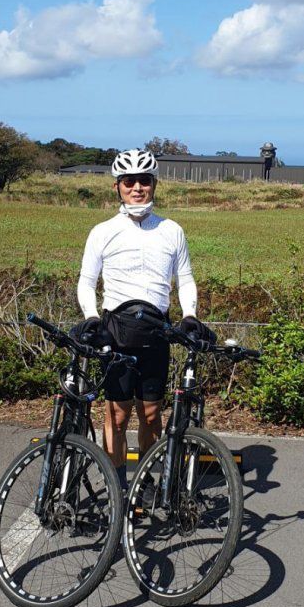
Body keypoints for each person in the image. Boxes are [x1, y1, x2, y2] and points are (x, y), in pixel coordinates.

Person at [75, 148, 209, 492]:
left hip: (157, 333)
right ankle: (118, 485)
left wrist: (190, 314)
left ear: (154, 184)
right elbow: (87, 282)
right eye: (129, 181)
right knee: (117, 416)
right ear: (117, 187)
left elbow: (186, 278)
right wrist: (91, 317)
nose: (137, 188)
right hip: (116, 331)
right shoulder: (103, 231)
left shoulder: (171, 230)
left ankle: (146, 480)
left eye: (144, 180)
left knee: (151, 415)